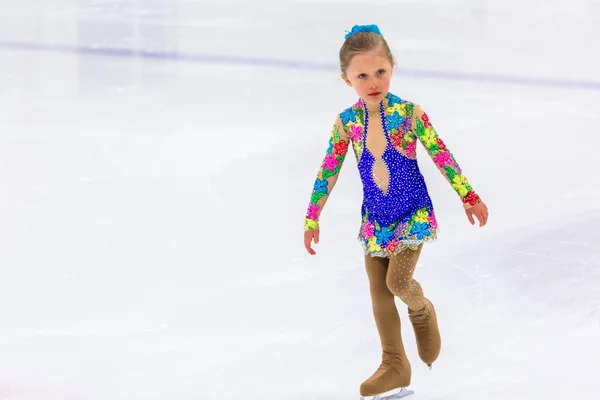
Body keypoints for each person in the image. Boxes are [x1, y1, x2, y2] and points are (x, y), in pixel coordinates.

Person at [302, 24, 489, 400]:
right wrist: (312, 216)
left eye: (380, 72)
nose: (373, 82)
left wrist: (468, 196)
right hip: (375, 219)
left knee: (397, 284)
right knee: (378, 291)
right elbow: (329, 169)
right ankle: (394, 364)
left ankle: (421, 310)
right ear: (347, 79)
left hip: (412, 213)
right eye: (362, 76)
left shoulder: (409, 113)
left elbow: (442, 156)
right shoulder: (347, 123)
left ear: (392, 67)